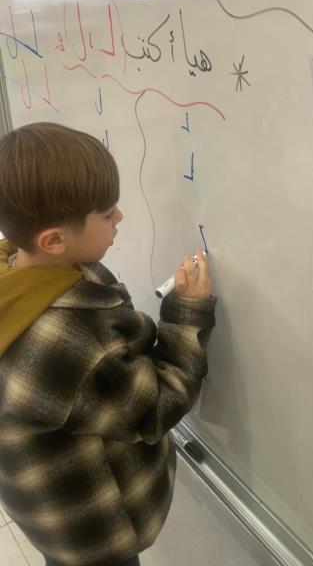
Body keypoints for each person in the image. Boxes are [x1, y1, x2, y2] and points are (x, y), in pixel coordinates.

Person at [0, 122, 216, 566]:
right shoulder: (64, 340)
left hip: (48, 508)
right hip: (93, 532)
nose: (120, 218)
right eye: (106, 214)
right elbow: (156, 407)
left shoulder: (17, 266)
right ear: (54, 240)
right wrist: (188, 314)